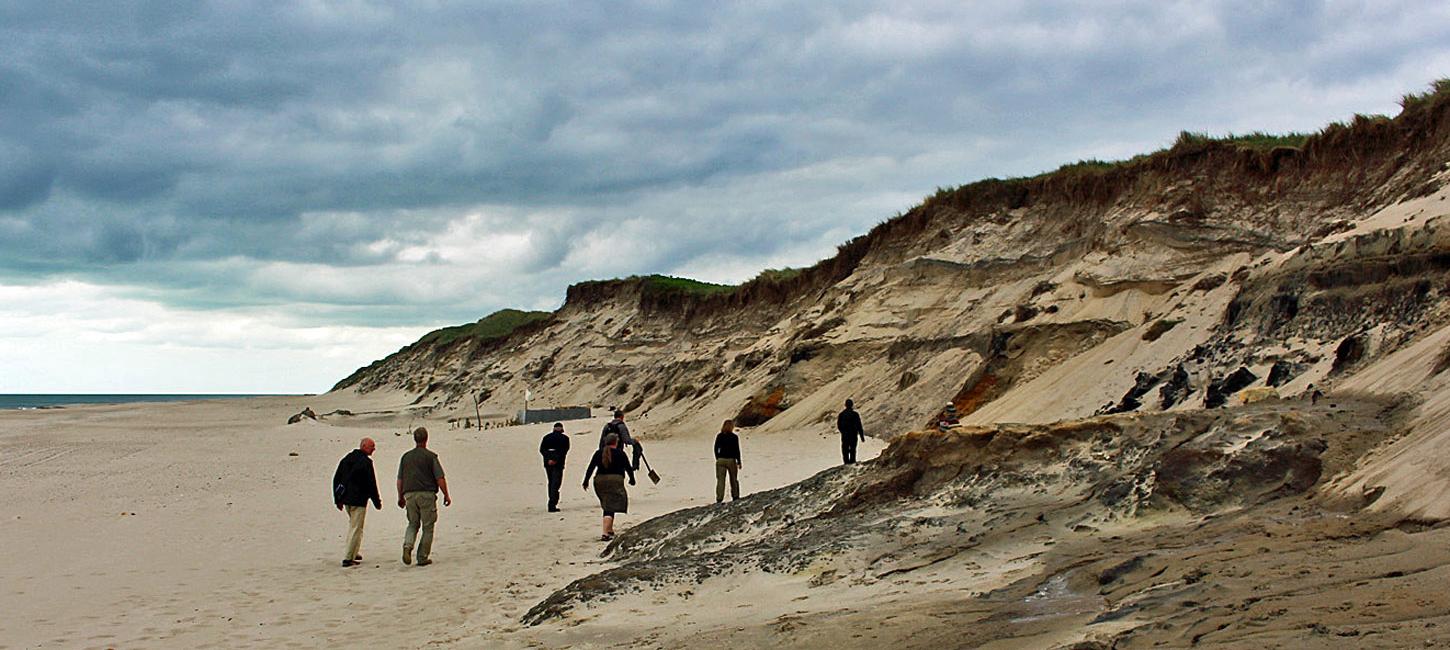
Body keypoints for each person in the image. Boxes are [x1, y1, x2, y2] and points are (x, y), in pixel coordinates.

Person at [396, 427, 451, 566]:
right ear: (426, 439)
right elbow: (440, 477)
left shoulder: (406, 457)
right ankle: (422, 556)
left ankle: (407, 545)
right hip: (427, 494)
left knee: (413, 524)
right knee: (428, 526)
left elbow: (400, 479)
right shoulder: (431, 456)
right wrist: (446, 494)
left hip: (409, 494)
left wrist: (400, 496)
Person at [332, 437, 381, 567]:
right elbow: (371, 484)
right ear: (364, 446)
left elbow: (337, 479)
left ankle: (354, 551)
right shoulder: (366, 462)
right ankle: (348, 558)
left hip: (346, 499)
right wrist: (377, 502)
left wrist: (338, 499)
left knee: (355, 526)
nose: (374, 449)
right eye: (372, 446)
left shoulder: (347, 459)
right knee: (356, 527)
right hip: (358, 500)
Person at [582, 432, 635, 541]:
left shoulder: (598, 453)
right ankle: (605, 533)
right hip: (615, 480)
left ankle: (609, 529)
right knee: (610, 507)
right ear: (616, 442)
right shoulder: (620, 453)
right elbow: (628, 467)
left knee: (608, 504)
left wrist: (586, 481)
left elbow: (590, 468)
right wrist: (632, 479)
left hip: (599, 480)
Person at [539, 421, 571, 512]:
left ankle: (551, 502)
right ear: (561, 429)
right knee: (556, 483)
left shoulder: (546, 437)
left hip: (548, 463)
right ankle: (552, 503)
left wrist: (549, 458)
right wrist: (555, 459)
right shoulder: (565, 438)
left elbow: (542, 450)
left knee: (551, 482)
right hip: (558, 464)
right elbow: (564, 451)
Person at [713, 419, 742, 503]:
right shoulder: (734, 437)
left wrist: (718, 457)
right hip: (731, 460)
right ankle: (735, 496)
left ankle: (719, 498)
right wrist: (739, 461)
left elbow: (715, 448)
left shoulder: (720, 436)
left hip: (721, 459)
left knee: (720, 480)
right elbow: (737, 450)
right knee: (733, 479)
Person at [836, 399, 866, 464]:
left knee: (845, 450)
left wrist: (843, 432)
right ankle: (852, 462)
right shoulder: (855, 414)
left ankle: (846, 463)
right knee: (853, 449)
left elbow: (839, 425)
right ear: (852, 405)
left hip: (845, 436)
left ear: (845, 405)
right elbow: (859, 426)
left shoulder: (842, 414)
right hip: (853, 435)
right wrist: (862, 436)